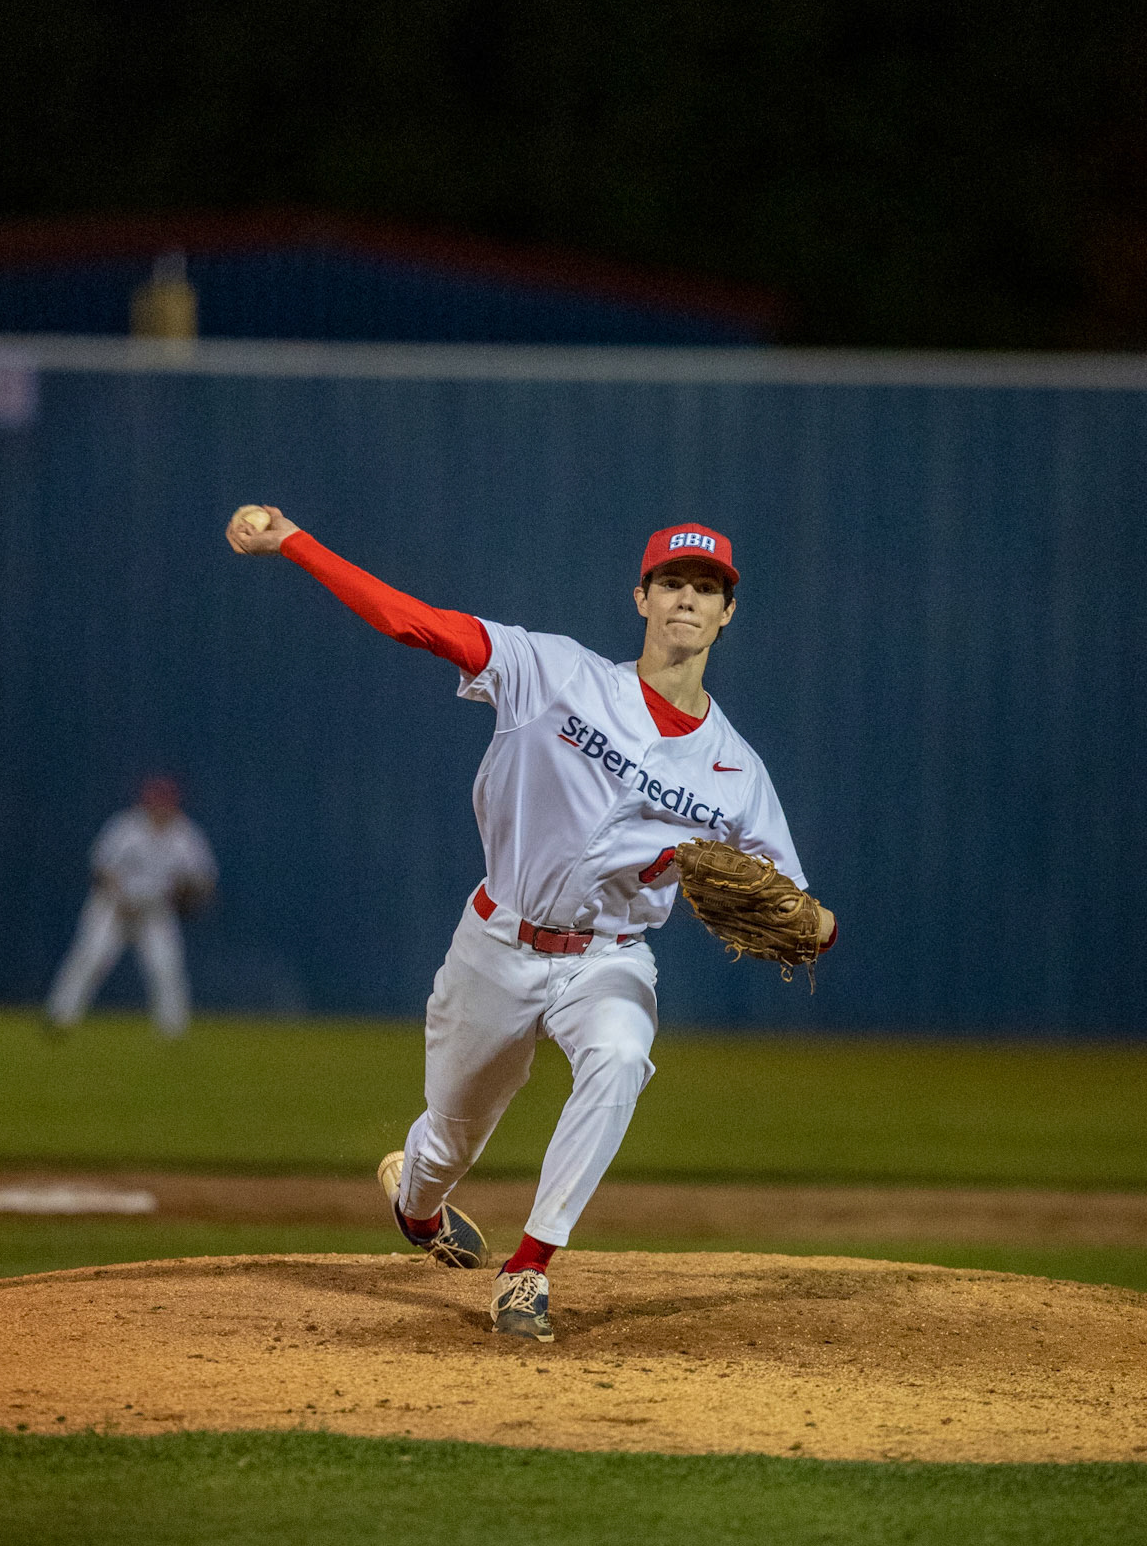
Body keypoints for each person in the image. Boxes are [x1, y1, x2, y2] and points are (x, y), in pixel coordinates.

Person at [226, 507, 834, 1341]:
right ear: (641, 598)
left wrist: (818, 926)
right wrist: (294, 542)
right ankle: (418, 1211)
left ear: (727, 612)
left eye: (706, 589)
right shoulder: (553, 673)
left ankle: (529, 1270)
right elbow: (412, 622)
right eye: (672, 584)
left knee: (622, 1055)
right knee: (445, 1144)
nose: (687, 600)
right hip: (497, 943)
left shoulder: (736, 770)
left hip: (609, 958)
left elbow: (797, 907)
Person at [45, 777, 218, 1039]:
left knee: (165, 966)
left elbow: (204, 879)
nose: (161, 809)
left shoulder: (185, 834)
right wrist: (121, 899)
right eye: (156, 803)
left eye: (166, 804)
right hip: (114, 907)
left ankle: (173, 1030)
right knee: (90, 958)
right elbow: (102, 869)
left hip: (155, 911)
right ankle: (60, 1016)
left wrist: (191, 892)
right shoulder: (126, 826)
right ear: (146, 803)